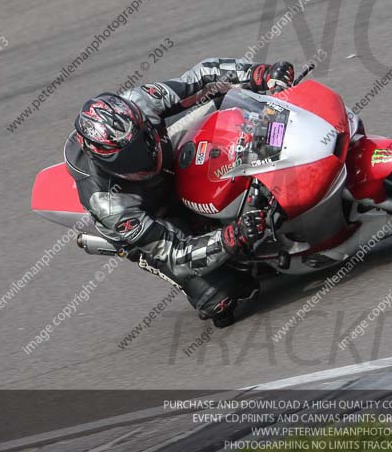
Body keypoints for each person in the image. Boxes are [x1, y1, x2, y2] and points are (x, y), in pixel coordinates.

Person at [64, 58, 295, 327]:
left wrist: (260, 74)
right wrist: (232, 237)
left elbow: (203, 75)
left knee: (223, 101)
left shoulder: (139, 101)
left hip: (169, 159)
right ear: (106, 163)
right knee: (222, 297)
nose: (142, 157)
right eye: (130, 158)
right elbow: (175, 256)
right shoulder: (109, 204)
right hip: (153, 216)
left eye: (142, 142)